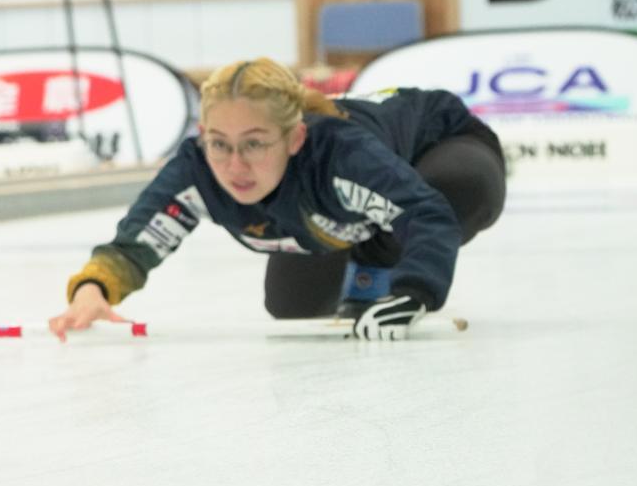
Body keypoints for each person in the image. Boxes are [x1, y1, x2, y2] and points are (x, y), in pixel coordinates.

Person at [51, 60, 506, 342]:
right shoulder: (196, 169)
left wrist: (414, 291)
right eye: (219, 144)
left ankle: (374, 268)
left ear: (295, 138)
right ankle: (357, 253)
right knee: (294, 311)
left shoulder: (341, 156)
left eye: (254, 144)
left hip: (439, 143)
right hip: (327, 211)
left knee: (463, 188)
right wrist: (94, 289)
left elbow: (426, 214)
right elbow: (138, 241)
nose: (235, 167)